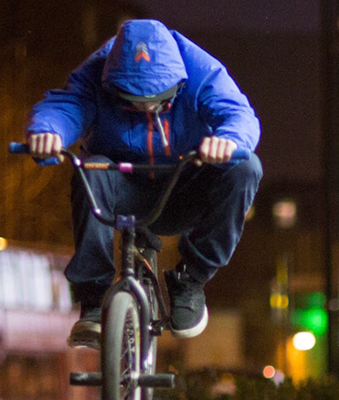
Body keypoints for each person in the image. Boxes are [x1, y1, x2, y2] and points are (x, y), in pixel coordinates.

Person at [25, 18, 262, 347]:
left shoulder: (202, 70)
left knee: (246, 168)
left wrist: (228, 140)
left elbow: (237, 114)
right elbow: (67, 106)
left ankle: (190, 279)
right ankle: (93, 301)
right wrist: (48, 132)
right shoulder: (96, 72)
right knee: (91, 167)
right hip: (120, 191)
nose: (147, 108)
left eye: (159, 100)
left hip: (181, 190)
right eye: (132, 101)